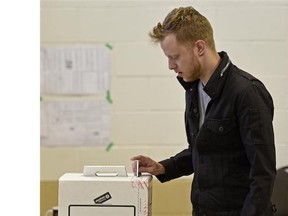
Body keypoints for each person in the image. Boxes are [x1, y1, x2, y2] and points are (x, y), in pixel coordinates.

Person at [131, 6, 276, 216]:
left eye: (175, 57)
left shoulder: (248, 93)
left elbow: (262, 175)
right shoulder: (193, 89)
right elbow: (201, 151)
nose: (170, 66)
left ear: (200, 47)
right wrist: (163, 168)